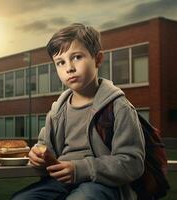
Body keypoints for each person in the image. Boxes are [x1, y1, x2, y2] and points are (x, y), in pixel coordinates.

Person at [12, 23, 145, 200]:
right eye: (60, 62)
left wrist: (80, 169)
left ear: (97, 59)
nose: (69, 68)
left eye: (76, 57)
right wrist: (37, 155)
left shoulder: (119, 107)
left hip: (101, 183)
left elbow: (132, 162)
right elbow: (44, 146)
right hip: (60, 181)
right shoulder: (57, 111)